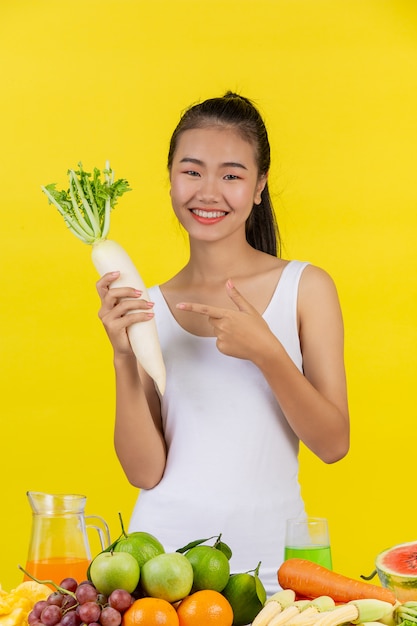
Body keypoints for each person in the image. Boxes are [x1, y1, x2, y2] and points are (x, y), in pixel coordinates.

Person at [96, 92, 350, 595]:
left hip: (278, 577)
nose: (208, 192)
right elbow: (144, 472)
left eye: (231, 175)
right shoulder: (144, 305)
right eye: (192, 172)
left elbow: (333, 444)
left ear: (259, 187)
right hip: (160, 575)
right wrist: (124, 357)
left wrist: (267, 352)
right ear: (170, 178)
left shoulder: (306, 288)